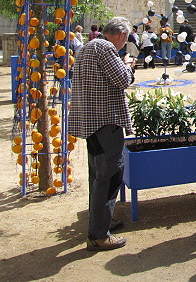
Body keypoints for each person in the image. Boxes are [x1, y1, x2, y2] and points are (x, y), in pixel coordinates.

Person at [70, 17, 135, 251]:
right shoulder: (106, 48)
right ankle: (98, 234)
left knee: (97, 176)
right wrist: (128, 65)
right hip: (106, 122)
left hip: (91, 123)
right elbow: (123, 79)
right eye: (126, 38)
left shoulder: (88, 47)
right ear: (121, 35)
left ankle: (101, 221)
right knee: (110, 176)